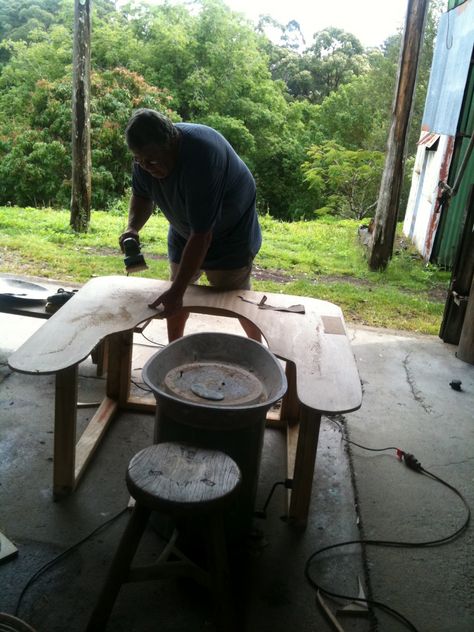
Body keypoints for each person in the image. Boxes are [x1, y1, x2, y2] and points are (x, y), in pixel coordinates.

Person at [119, 108, 262, 342]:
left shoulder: (202, 158)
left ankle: (260, 350)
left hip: (231, 232)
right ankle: (173, 348)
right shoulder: (145, 157)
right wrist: (132, 228)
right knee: (175, 294)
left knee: (237, 299)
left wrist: (177, 290)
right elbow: (142, 195)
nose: (145, 166)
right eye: (139, 160)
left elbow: (202, 236)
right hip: (184, 227)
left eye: (152, 160)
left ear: (172, 142)